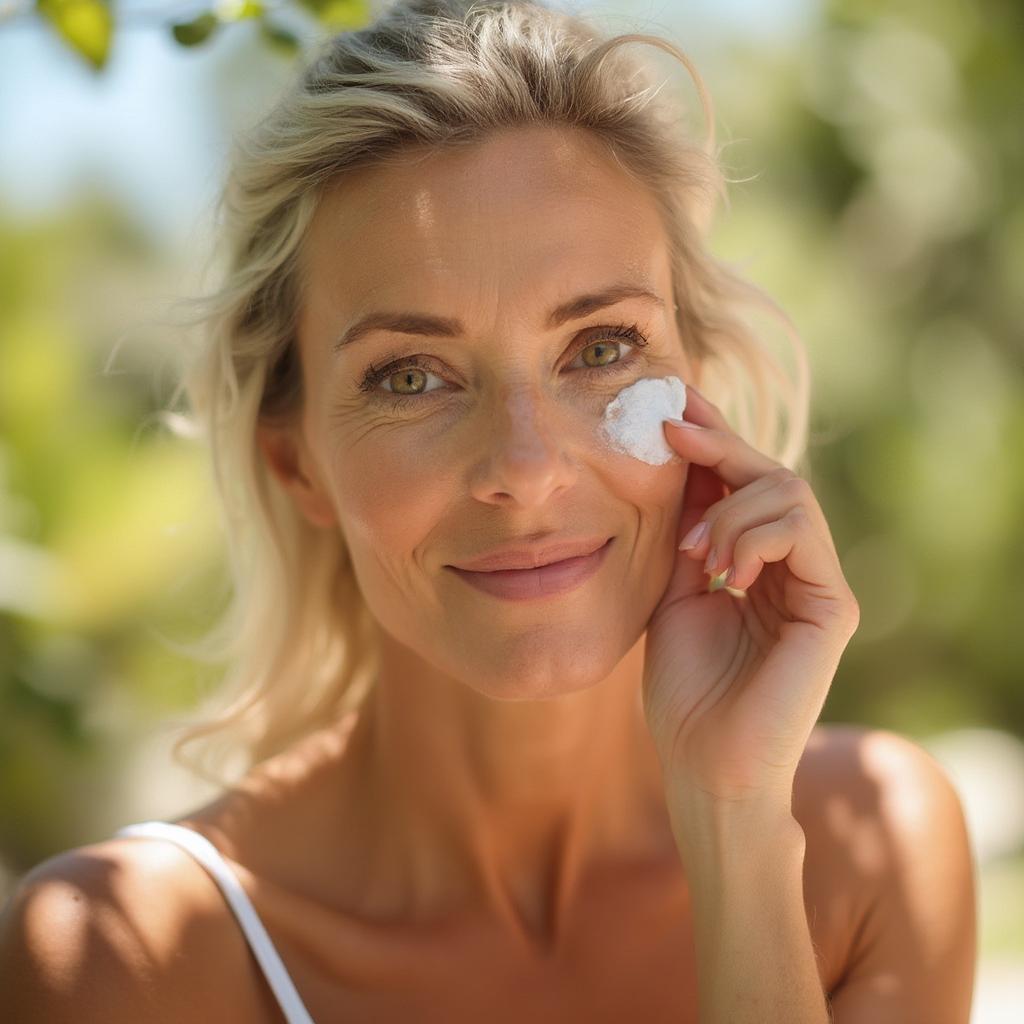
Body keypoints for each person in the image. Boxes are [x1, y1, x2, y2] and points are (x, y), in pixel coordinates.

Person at [0, 1, 976, 1021]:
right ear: (296, 463)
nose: (524, 466)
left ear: (701, 389)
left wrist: (735, 830)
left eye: (599, 348)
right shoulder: (127, 957)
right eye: (410, 376)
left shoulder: (876, 848)